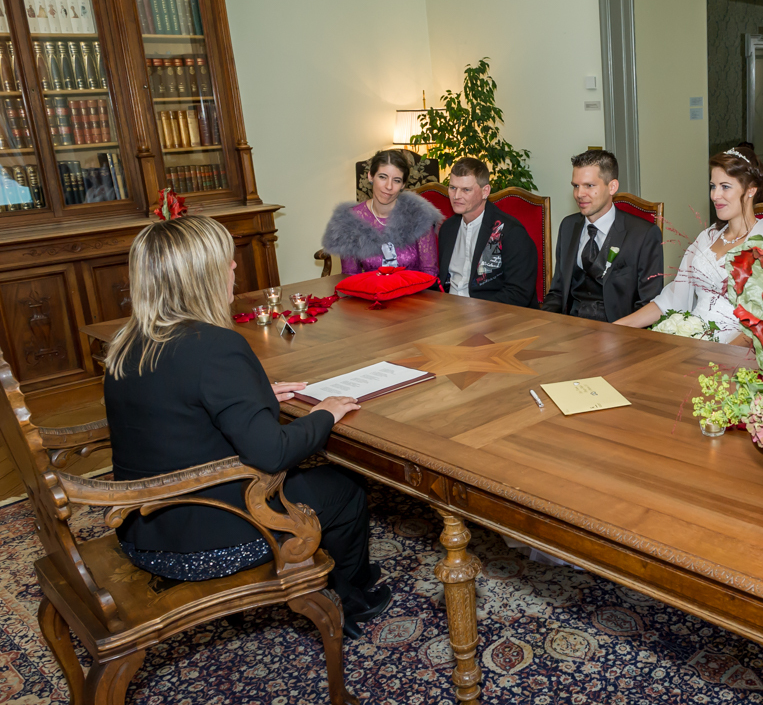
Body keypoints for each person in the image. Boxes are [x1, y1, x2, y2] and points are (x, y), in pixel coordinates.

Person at [103, 216, 388, 640]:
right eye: (226, 261)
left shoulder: (129, 343)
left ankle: (356, 577)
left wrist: (255, 395)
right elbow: (271, 453)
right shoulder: (216, 347)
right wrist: (324, 413)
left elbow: (179, 408)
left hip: (144, 530)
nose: (235, 267)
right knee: (343, 488)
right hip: (206, 542)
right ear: (201, 276)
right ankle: (350, 596)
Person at [614, 147, 763, 343]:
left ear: (751, 190)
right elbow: (671, 299)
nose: (715, 195)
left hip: (736, 352)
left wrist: (721, 357)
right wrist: (616, 328)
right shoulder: (707, 238)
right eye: (713, 186)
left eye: (725, 187)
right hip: (693, 341)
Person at [542, 149, 664, 322]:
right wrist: (541, 322)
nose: (579, 194)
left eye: (589, 186)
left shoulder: (644, 235)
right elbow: (558, 292)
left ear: (612, 186)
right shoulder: (568, 226)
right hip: (570, 331)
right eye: (576, 186)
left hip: (621, 335)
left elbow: (648, 303)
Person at [321, 150, 442, 276]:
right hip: (370, 294)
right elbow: (350, 275)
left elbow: (430, 272)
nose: (389, 186)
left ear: (403, 185)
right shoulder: (351, 220)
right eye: (382, 177)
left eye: (396, 180)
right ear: (370, 176)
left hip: (414, 293)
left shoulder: (419, 215)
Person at [437, 156, 538, 307]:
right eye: (452, 188)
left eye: (466, 190)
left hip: (493, 316)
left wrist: (474, 312)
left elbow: (519, 293)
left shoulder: (511, 232)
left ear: (485, 191)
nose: (456, 196)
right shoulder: (447, 228)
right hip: (448, 312)